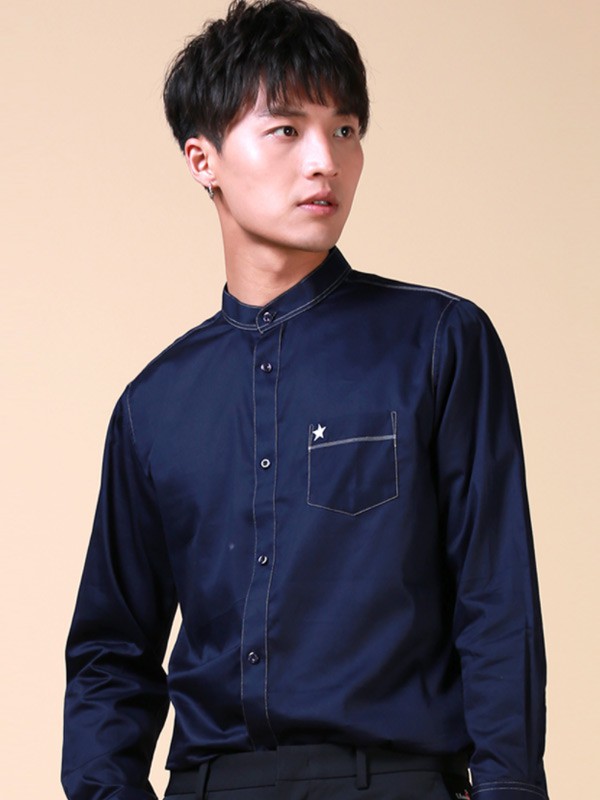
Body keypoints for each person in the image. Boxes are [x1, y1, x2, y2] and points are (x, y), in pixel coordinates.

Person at [61, 2, 549, 799]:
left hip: (390, 782)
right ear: (203, 159)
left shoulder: (438, 342)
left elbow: (498, 606)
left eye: (345, 129)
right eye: (287, 129)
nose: (326, 161)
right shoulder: (154, 404)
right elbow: (110, 652)